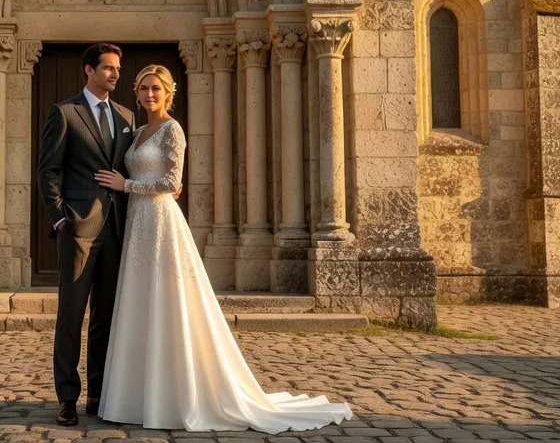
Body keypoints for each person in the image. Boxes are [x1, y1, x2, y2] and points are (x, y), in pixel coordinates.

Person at [92, 64, 353, 433]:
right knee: (139, 302)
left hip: (162, 223)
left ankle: (172, 398)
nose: (150, 95)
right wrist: (127, 185)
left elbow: (171, 181)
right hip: (137, 225)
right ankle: (135, 398)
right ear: (136, 93)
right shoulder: (134, 135)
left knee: (168, 303)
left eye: (156, 89)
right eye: (144, 88)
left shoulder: (172, 129)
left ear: (168, 93)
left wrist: (127, 185)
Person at [35, 43, 134, 426]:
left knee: (105, 316)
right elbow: (48, 170)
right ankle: (66, 397)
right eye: (107, 68)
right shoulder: (65, 113)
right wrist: (60, 219)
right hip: (78, 229)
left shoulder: (125, 116)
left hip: (116, 230)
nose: (114, 74)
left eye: (117, 69)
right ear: (88, 71)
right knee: (71, 316)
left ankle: (98, 394)